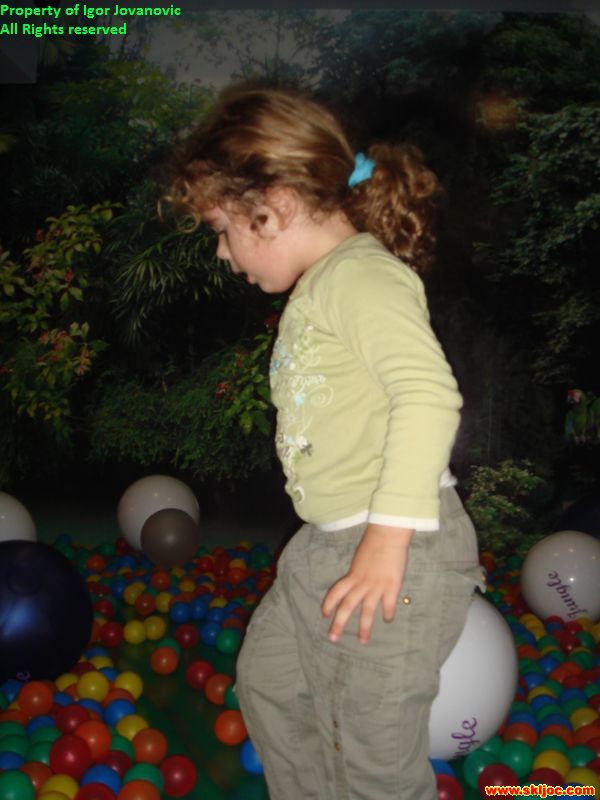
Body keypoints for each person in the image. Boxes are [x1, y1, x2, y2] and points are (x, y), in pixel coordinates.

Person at [165, 84, 484, 800]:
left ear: (272, 205)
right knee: (271, 683)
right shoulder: (325, 286)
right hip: (329, 544)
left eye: (222, 229)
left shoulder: (360, 276)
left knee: (374, 760)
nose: (222, 253)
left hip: (396, 546)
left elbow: (428, 396)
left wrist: (387, 540)